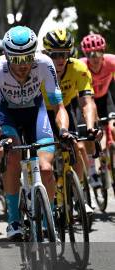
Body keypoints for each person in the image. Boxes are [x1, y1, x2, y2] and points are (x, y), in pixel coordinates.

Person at [0, 26, 68, 239]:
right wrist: (0, 136)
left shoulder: (44, 64)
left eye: (27, 58)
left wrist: (65, 130)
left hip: (35, 113)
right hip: (7, 115)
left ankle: (47, 220)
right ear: (6, 55)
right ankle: (13, 219)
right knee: (12, 157)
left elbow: (59, 108)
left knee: (46, 168)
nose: (23, 66)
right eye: (16, 59)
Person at [41, 29, 100, 214]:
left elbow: (87, 102)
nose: (60, 59)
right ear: (47, 54)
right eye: (56, 54)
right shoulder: (39, 67)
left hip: (65, 109)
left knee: (79, 147)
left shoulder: (78, 69)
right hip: (42, 112)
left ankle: (78, 194)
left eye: (65, 54)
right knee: (44, 159)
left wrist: (90, 127)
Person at [79, 33, 115, 188]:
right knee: (91, 132)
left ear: (103, 52)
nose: (94, 58)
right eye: (90, 54)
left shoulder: (111, 61)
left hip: (106, 99)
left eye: (98, 53)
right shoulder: (81, 66)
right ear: (85, 55)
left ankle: (110, 158)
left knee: (113, 128)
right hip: (88, 100)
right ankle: (93, 170)